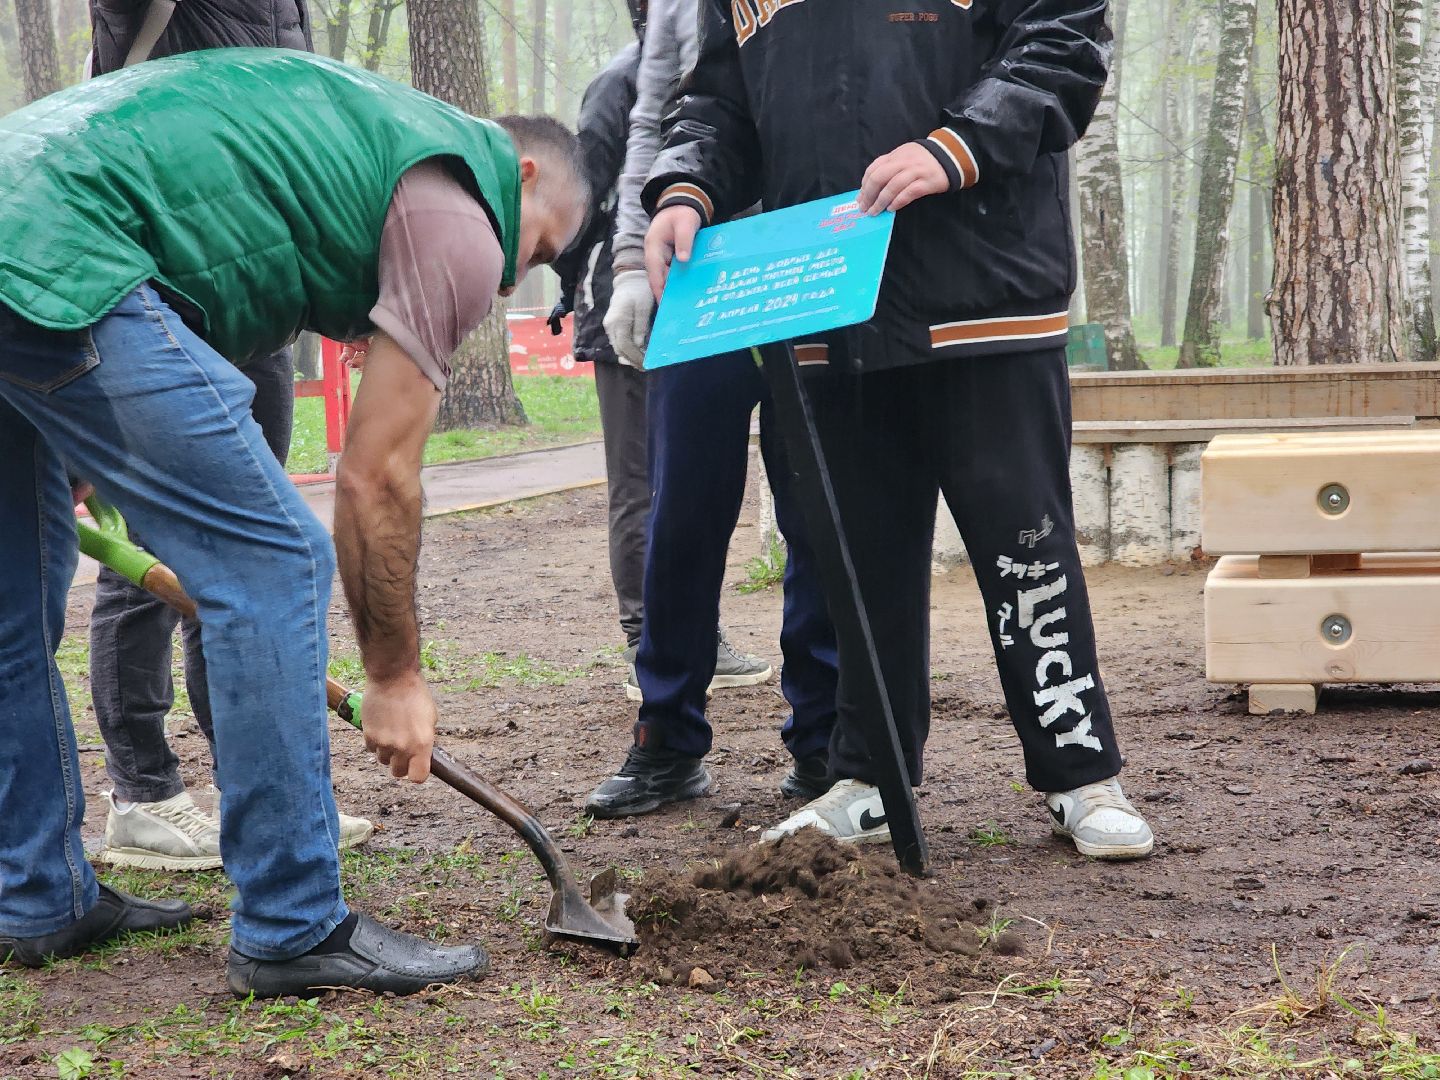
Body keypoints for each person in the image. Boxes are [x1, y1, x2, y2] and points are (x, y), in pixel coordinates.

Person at [0, 50, 587, 995]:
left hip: (23, 225)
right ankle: (293, 922)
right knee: (271, 563)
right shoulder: (466, 213)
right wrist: (393, 675)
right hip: (64, 248)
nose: (515, 279)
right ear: (520, 177)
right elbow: (376, 478)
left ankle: (34, 894)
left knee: (13, 598)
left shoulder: (355, 140)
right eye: (542, 249)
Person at [639, 0, 1154, 859]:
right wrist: (687, 188)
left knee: (1024, 546)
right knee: (857, 561)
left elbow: (1064, 44)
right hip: (827, 300)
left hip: (986, 300)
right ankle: (870, 776)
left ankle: (1080, 772)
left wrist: (953, 147)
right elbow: (716, 102)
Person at [84, 0, 372, 874]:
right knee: (156, 544)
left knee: (253, 543)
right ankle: (145, 794)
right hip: (164, 283)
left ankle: (264, 786)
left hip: (259, 295)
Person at [581, 0, 840, 819]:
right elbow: (657, 120)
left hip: (813, 258)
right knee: (682, 509)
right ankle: (667, 736)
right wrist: (629, 257)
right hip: (704, 271)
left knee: (816, 508)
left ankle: (825, 739)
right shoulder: (679, 12)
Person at [549, 9, 772, 702]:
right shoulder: (621, 83)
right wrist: (575, 286)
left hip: (703, 288)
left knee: (683, 476)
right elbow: (585, 194)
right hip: (630, 298)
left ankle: (690, 634)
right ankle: (644, 637)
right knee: (641, 479)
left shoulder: (722, 63)